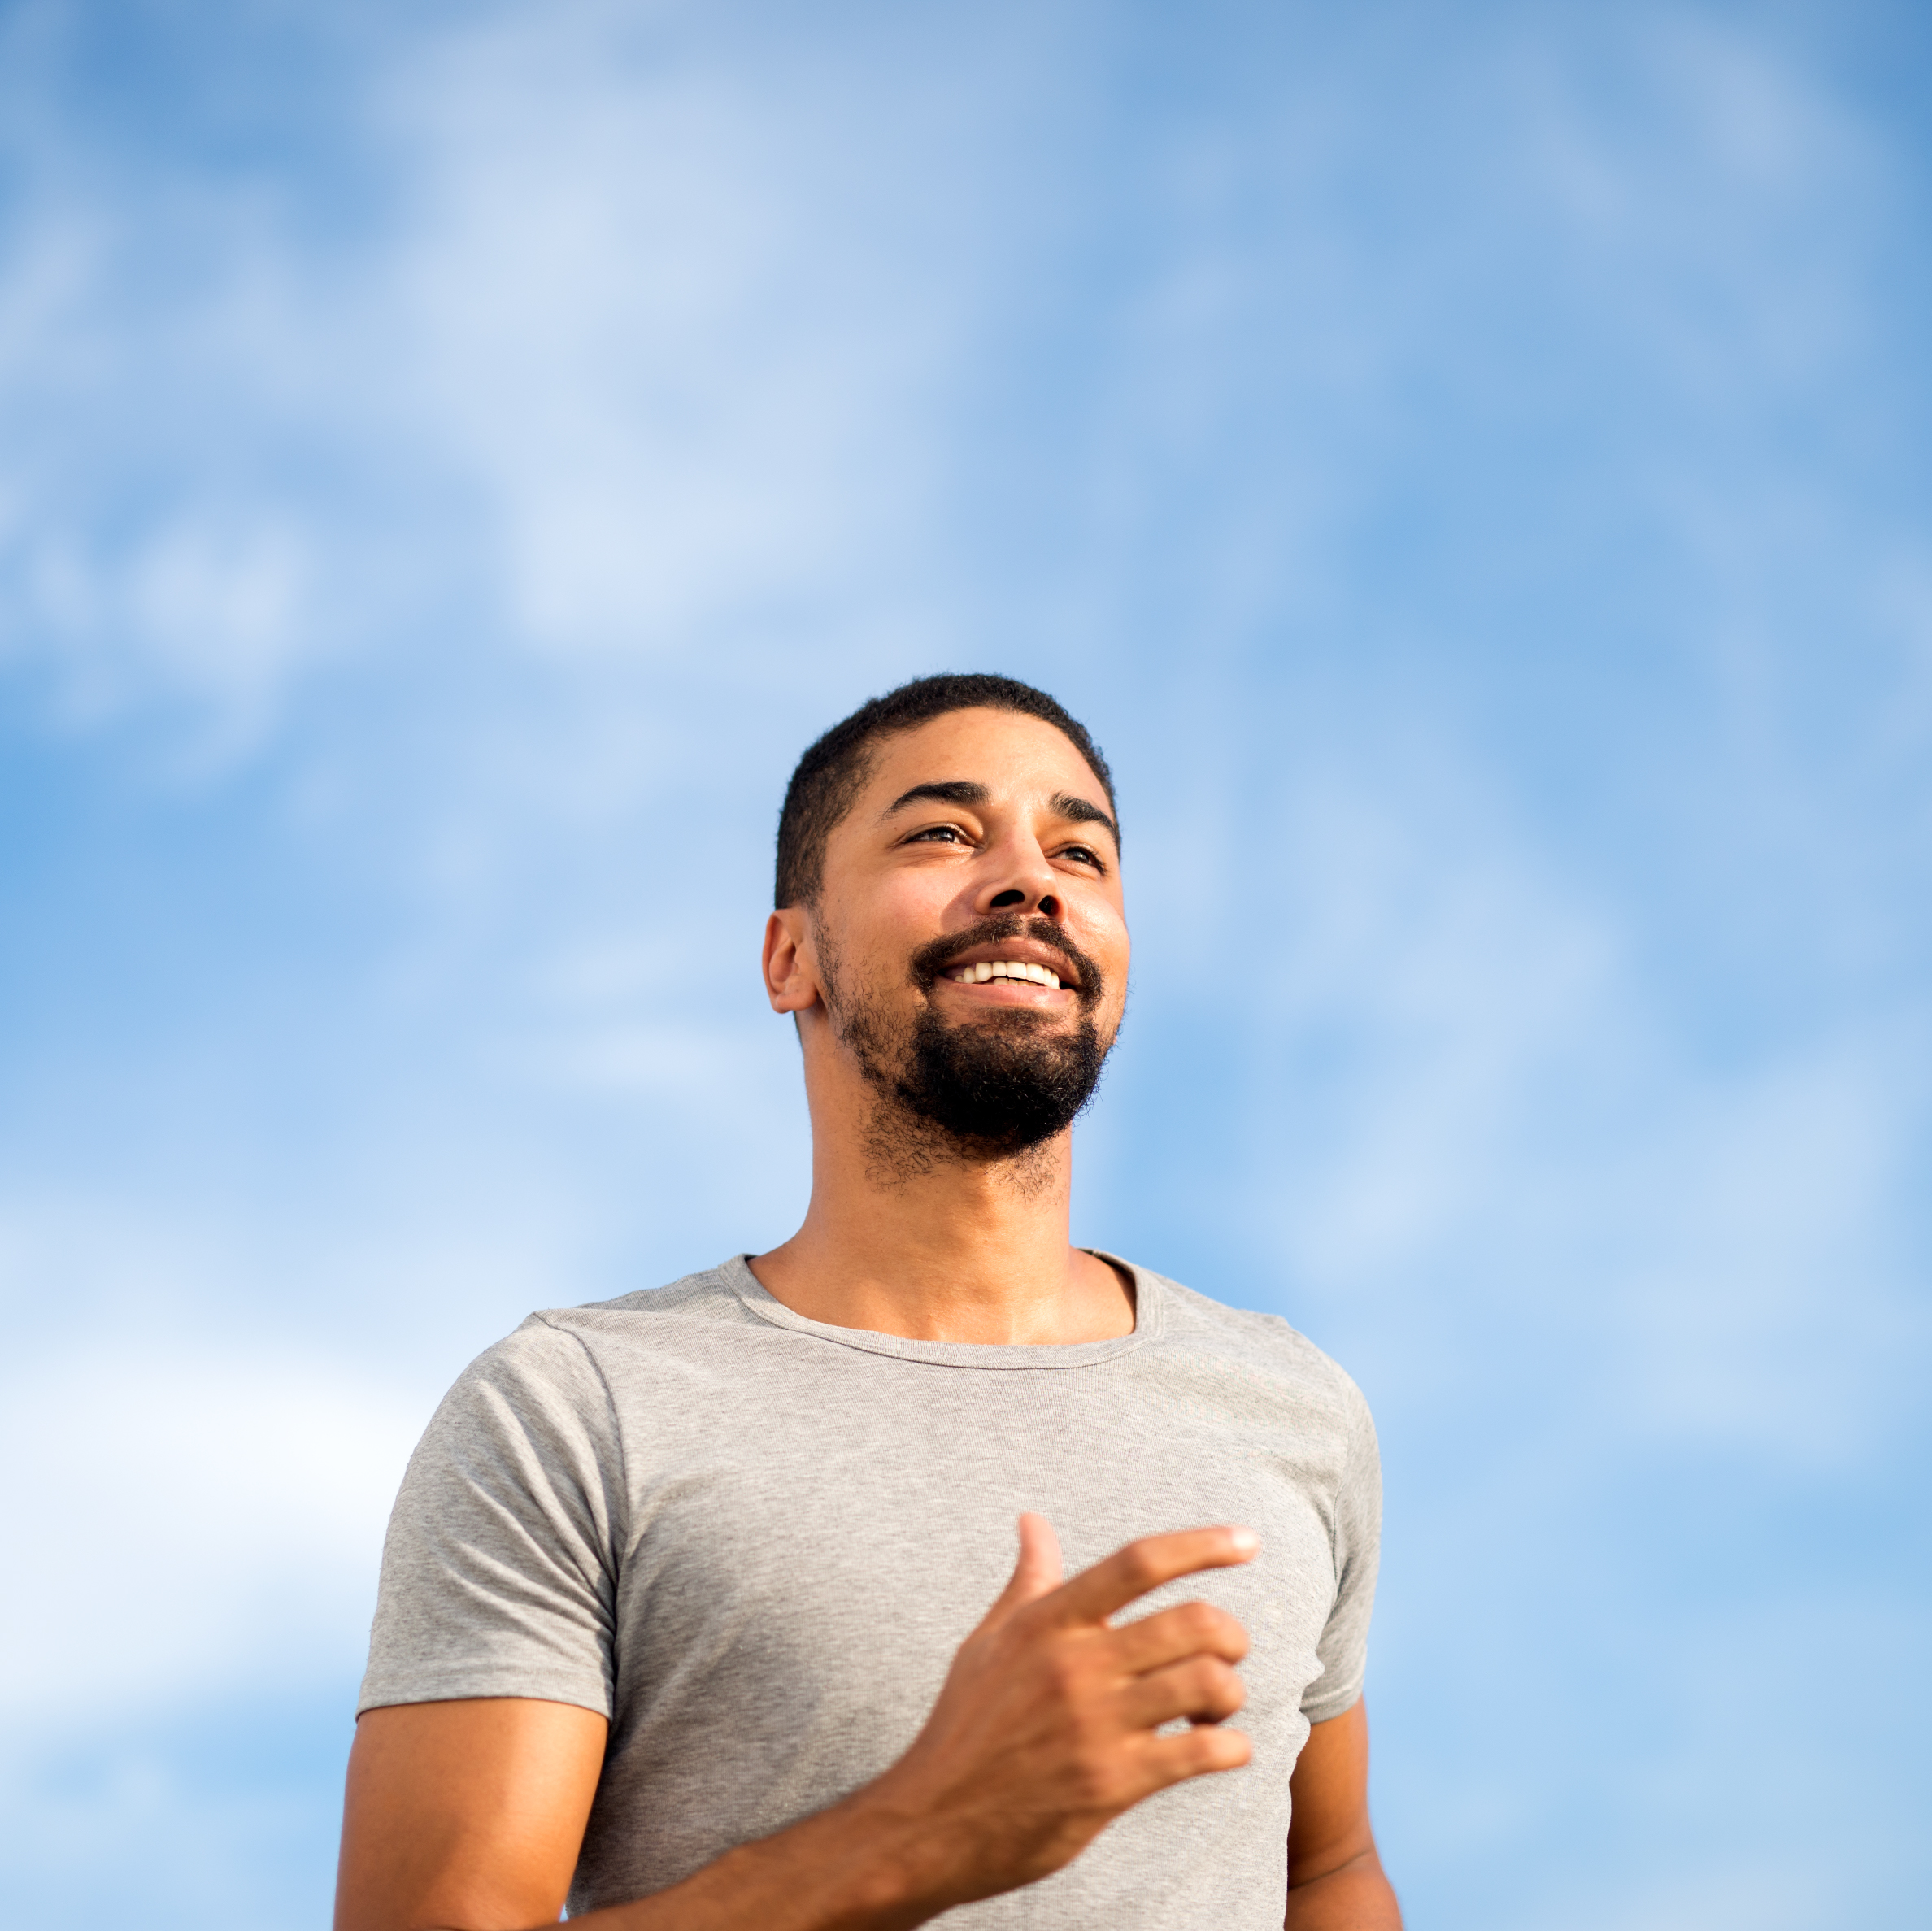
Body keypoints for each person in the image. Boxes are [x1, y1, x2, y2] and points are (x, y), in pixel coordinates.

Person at [336, 674, 1399, 1931]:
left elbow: (1326, 1870)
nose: (1029, 879)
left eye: (1080, 852)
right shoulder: (576, 1410)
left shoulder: (1291, 1403)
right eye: (944, 833)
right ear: (791, 958)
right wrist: (923, 1830)